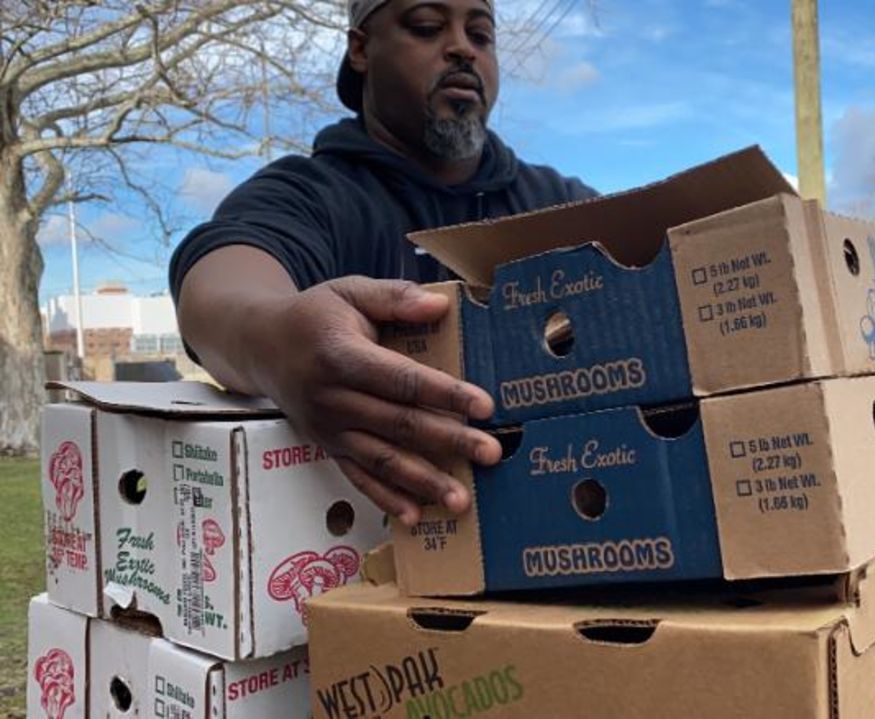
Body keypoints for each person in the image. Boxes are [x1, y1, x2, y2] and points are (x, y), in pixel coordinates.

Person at [169, 0, 596, 526]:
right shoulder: (309, 195)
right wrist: (278, 342)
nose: (462, 47)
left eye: (481, 35)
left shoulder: (562, 205)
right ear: (361, 49)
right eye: (426, 26)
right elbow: (218, 287)